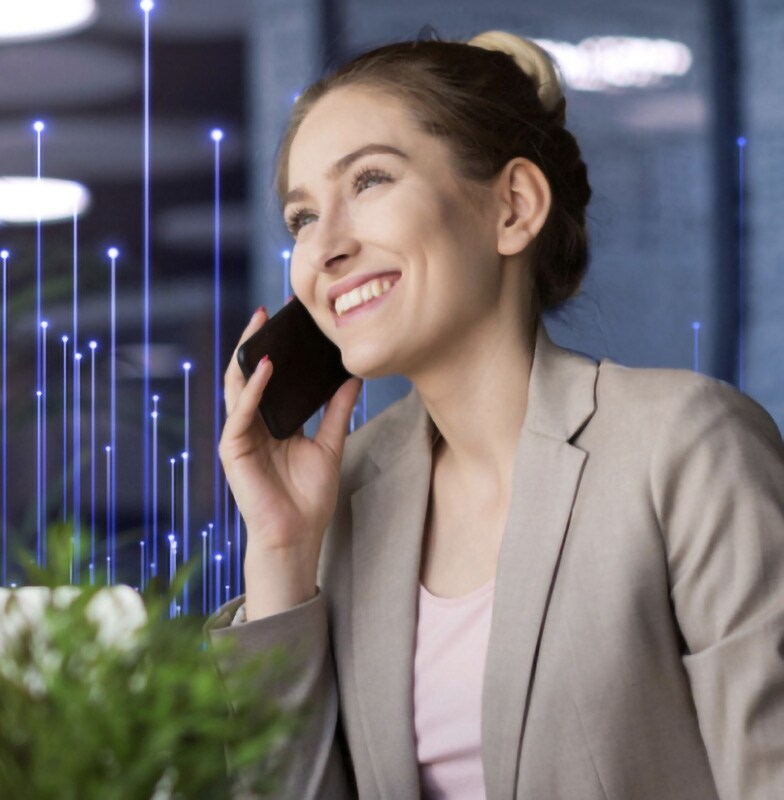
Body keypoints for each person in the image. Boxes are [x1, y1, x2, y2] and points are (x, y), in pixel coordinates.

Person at [208, 29, 784, 800]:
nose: (323, 250)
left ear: (513, 206)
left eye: (370, 180)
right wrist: (280, 550)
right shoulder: (341, 503)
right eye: (302, 219)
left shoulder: (685, 446)